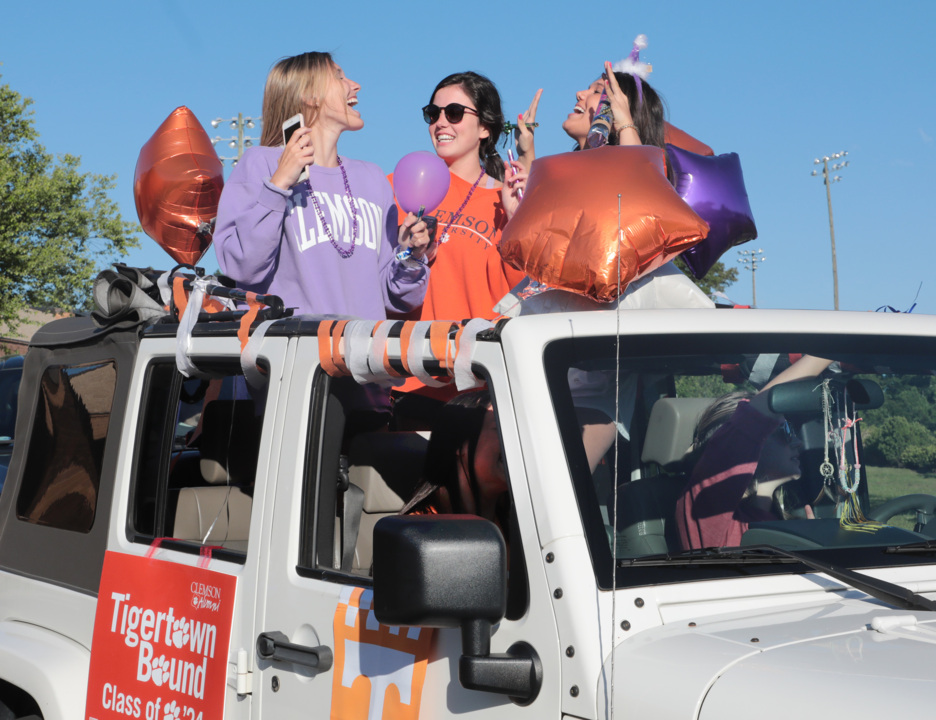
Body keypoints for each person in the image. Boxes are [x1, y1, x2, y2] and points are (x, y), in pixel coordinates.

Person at [214, 51, 431, 320]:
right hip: (291, 344)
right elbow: (242, 267)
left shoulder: (373, 179)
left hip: (364, 345)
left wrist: (410, 255)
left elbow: (396, 297)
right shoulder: (261, 164)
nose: (355, 85)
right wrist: (279, 184)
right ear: (310, 95)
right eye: (339, 76)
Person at [389, 71, 527, 323]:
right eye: (433, 113)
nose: (440, 123)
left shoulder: (506, 200)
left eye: (454, 113)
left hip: (478, 345)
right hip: (409, 345)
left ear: (484, 127)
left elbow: (524, 292)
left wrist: (518, 220)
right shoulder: (398, 184)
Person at [675, 356, 832, 550]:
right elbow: (756, 414)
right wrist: (826, 351)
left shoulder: (775, 519)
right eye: (785, 431)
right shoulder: (707, 508)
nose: (797, 443)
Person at [401, 389, 510, 536]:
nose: (515, 440)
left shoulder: (526, 520)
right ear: (459, 444)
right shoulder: (419, 532)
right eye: (499, 428)